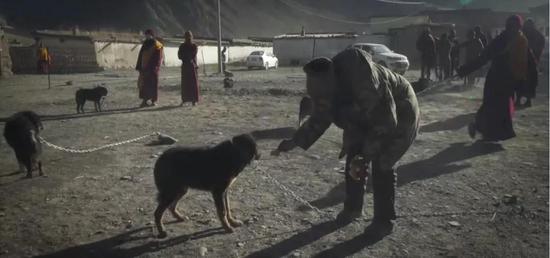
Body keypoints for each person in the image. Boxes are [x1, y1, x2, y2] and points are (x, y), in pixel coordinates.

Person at [272, 48, 420, 237]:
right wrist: (295, 141)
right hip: (364, 116)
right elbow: (320, 117)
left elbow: (384, 123)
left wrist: (366, 155)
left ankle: (384, 221)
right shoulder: (326, 87)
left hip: (399, 111)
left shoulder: (363, 80)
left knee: (383, 162)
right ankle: (352, 209)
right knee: (353, 158)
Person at [458, 15, 537, 141]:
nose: (513, 30)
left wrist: (529, 85)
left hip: (508, 81)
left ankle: (489, 133)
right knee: (490, 107)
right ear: (508, 27)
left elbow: (530, 64)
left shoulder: (521, 41)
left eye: (516, 27)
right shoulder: (501, 40)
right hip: (495, 79)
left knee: (502, 109)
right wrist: (466, 70)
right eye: (511, 27)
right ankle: (479, 127)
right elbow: (484, 57)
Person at [518, 18, 545, 107]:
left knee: (529, 81)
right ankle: (520, 99)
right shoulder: (523, 33)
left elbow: (539, 46)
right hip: (522, 61)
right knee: (521, 81)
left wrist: (536, 54)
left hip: (530, 61)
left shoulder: (535, 35)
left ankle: (526, 100)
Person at [136, 29, 163, 107]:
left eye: (148, 35)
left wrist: (156, 66)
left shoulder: (158, 44)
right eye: (146, 35)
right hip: (145, 68)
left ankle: (153, 101)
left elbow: (159, 57)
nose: (147, 36)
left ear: (152, 35)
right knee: (144, 85)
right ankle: (145, 100)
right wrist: (139, 67)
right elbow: (141, 56)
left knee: (153, 85)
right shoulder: (145, 44)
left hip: (153, 68)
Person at [178, 31, 200, 106]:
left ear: (191, 37)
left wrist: (187, 57)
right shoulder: (182, 46)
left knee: (193, 84)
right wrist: (186, 57)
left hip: (192, 66)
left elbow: (193, 54)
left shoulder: (194, 46)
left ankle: (194, 100)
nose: (188, 38)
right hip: (185, 66)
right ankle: (184, 100)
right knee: (185, 84)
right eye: (187, 36)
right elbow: (179, 55)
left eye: (189, 36)